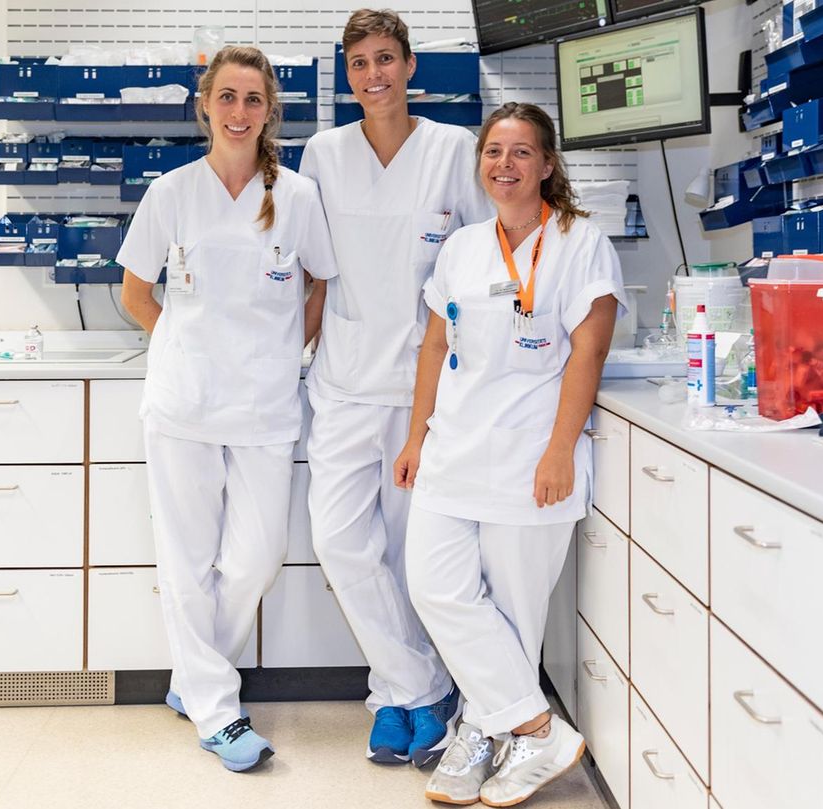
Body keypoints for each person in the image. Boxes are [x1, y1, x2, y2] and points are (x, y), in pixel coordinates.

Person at [395, 102, 624, 806]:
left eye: (521, 152)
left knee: (516, 616)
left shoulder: (580, 241)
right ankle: (534, 725)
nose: (504, 164)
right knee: (434, 585)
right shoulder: (464, 246)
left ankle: (482, 734)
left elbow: (590, 346)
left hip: (532, 458)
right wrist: (415, 434)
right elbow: (435, 344)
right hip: (454, 451)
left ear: (548, 165)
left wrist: (561, 449)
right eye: (494, 151)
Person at [117, 45, 338, 772]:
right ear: (204, 105)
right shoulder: (171, 192)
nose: (239, 112)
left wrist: (282, 353)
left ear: (270, 110)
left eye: (253, 99)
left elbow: (319, 287)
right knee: (186, 558)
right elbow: (135, 293)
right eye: (227, 97)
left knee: (255, 554)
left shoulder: (297, 196)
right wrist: (185, 345)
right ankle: (217, 708)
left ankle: (193, 674)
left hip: (267, 406)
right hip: (184, 403)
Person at [300, 8, 494, 768]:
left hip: (428, 389)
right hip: (344, 381)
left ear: (411, 67)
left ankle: (395, 696)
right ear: (347, 77)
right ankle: (419, 683)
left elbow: (484, 264)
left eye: (386, 59)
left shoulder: (455, 151)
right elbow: (311, 267)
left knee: (419, 552)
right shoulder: (323, 153)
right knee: (340, 541)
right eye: (359, 64)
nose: (373, 75)